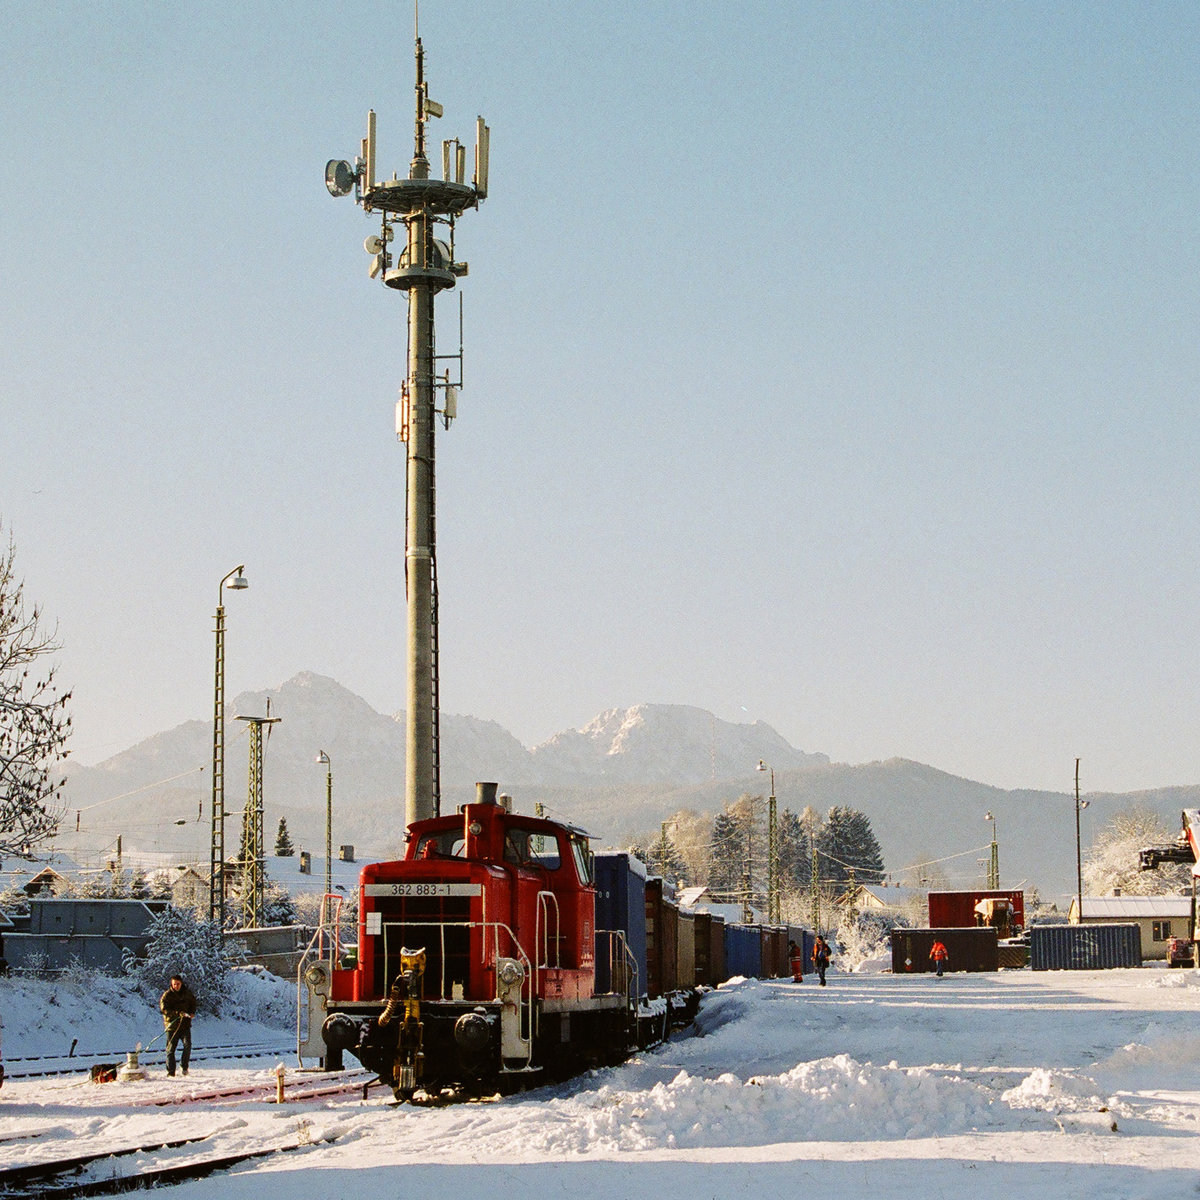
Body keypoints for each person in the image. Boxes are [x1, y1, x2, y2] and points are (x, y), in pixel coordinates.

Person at [160, 975, 196, 1077]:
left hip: (185, 1025)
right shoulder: (167, 995)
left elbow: (193, 1003)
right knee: (170, 1050)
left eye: (178, 984)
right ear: (171, 984)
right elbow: (164, 1009)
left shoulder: (187, 994)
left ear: (181, 983)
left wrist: (192, 1012)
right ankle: (171, 1072)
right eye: (174, 984)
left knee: (187, 1046)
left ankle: (184, 1067)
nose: (176, 986)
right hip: (172, 1026)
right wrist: (177, 1013)